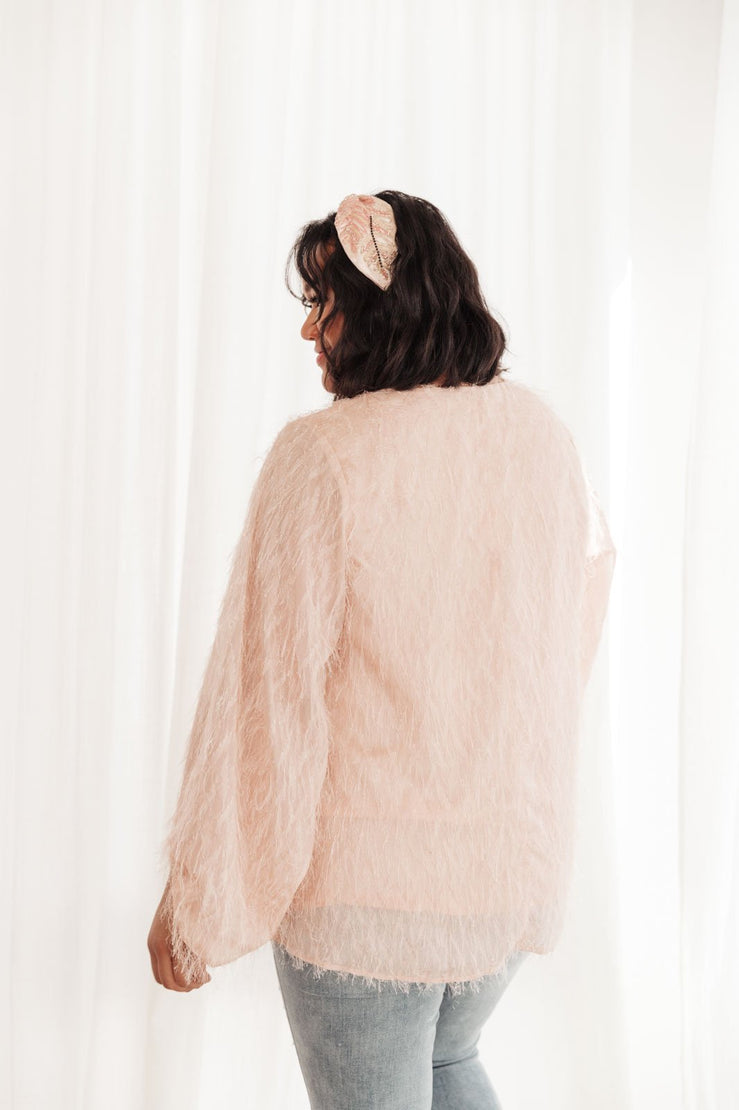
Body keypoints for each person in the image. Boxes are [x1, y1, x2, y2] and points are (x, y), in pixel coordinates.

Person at [148, 190, 617, 1108]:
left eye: (322, 304)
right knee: (449, 1063)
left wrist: (199, 899)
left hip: (365, 900)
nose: (308, 331)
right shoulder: (540, 438)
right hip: (499, 884)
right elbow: (574, 624)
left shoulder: (324, 456)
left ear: (379, 308)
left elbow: (266, 695)